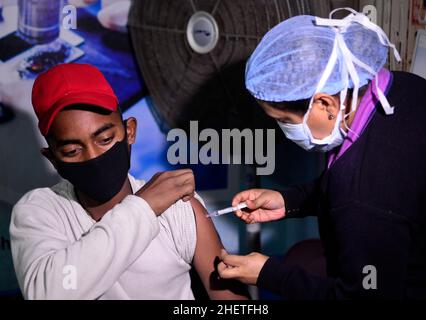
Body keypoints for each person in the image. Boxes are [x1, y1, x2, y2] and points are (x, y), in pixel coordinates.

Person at [217, 8, 426, 299]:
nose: (283, 130)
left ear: (325, 104)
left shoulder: (362, 197)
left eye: (284, 121)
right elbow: (376, 183)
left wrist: (268, 274)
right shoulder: (402, 88)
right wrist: (289, 201)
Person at [9, 63, 248, 300]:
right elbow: (49, 293)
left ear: (130, 131)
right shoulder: (40, 211)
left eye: (104, 139)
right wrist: (143, 207)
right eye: (72, 150)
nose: (93, 157)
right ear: (52, 158)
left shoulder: (178, 207)